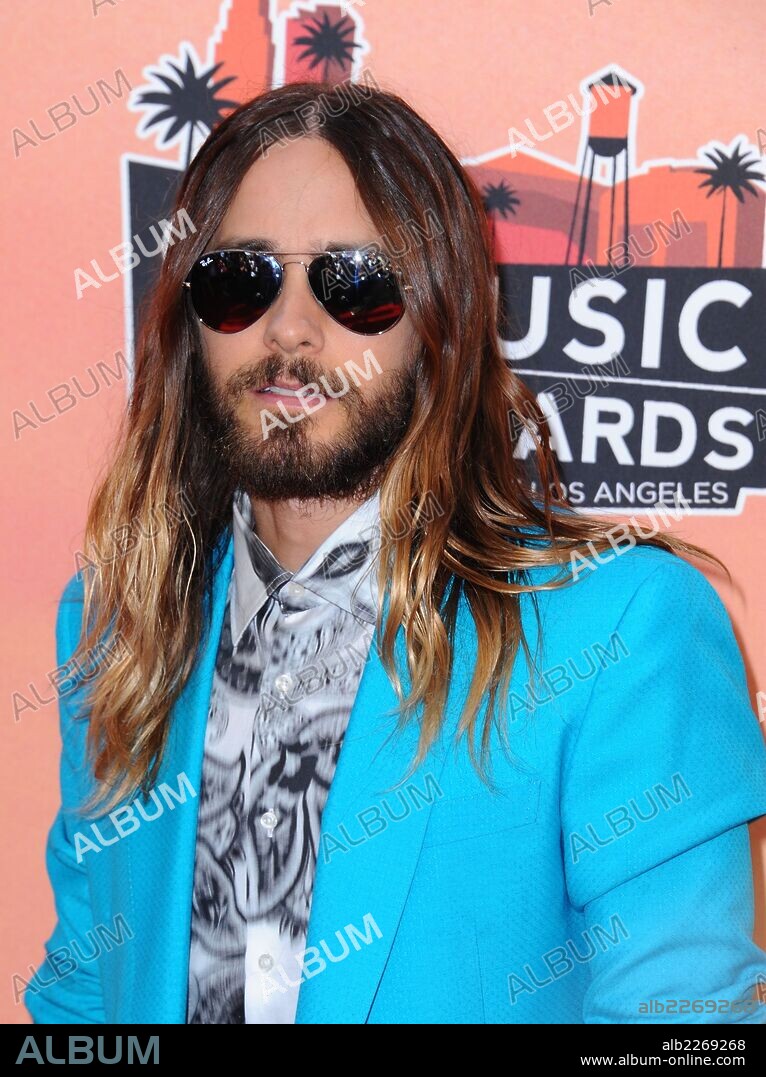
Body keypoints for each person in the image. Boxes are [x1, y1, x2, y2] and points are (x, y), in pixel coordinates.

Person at [26, 81, 766, 1025]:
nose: (290, 329)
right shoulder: (118, 629)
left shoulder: (622, 630)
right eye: (240, 281)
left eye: (357, 286)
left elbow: (688, 1032)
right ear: (189, 325)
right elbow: (87, 994)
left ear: (440, 326)